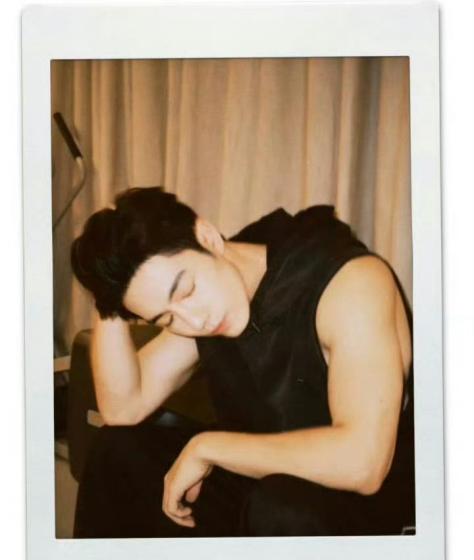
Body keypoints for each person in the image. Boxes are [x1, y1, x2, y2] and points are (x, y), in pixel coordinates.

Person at [70, 186, 415, 538]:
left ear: (208, 237)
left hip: (366, 510)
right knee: (117, 452)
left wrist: (208, 448)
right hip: (264, 485)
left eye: (186, 290)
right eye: (166, 319)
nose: (195, 321)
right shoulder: (212, 300)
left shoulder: (352, 283)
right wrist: (108, 290)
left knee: (280, 506)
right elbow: (123, 408)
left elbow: (363, 465)